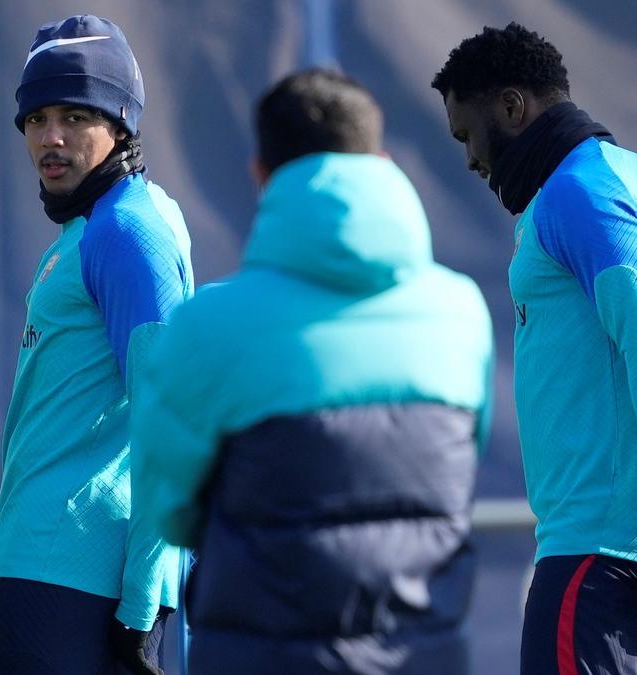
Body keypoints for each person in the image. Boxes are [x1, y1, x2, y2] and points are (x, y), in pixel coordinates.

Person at [132, 68, 494, 674]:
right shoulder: (463, 312)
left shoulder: (208, 326)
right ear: (381, 160)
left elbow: (169, 508)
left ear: (260, 176)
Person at [433, 23, 637, 675]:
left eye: (467, 134)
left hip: (602, 561)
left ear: (511, 106)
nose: (471, 159)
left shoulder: (576, 193)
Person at [0, 15, 194, 675]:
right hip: (49, 569)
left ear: (122, 124)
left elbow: (171, 417)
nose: (52, 137)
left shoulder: (126, 231)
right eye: (36, 119)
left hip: (75, 582)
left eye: (76, 116)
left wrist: (147, 595)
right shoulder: (95, 228)